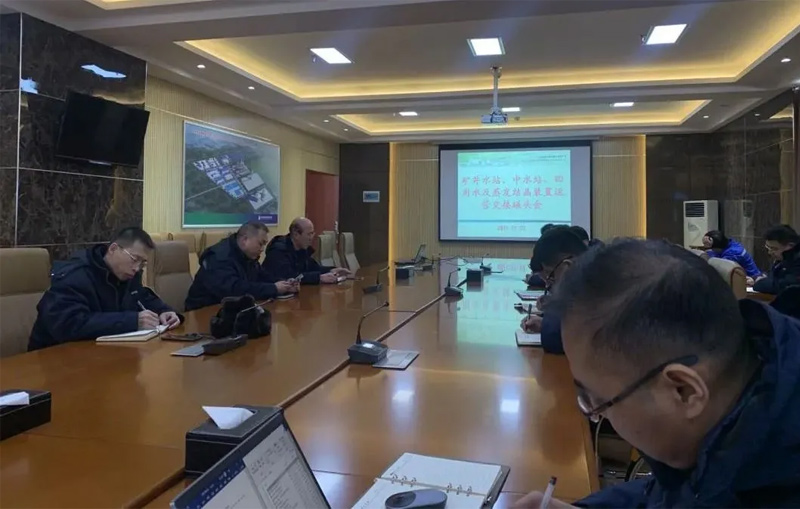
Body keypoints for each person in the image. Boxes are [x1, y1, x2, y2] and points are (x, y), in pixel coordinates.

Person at [514, 239, 800, 508]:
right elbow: (674, 492)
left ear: (684, 391)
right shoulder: (748, 394)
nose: (594, 415)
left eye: (598, 403)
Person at [28, 227, 182, 351]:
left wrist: (164, 311)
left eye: (143, 263)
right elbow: (69, 324)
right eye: (134, 259)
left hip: (98, 355)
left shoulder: (127, 274)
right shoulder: (76, 275)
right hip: (54, 359)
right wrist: (132, 321)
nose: (137, 268)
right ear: (113, 249)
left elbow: (141, 297)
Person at [185, 221, 297, 311]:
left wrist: (285, 283)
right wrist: (273, 288)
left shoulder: (247, 256)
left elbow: (262, 276)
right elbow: (234, 290)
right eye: (260, 243)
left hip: (230, 310)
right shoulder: (219, 257)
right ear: (244, 240)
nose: (262, 249)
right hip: (203, 312)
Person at [520, 227, 587, 354]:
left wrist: (547, 324)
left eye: (550, 277)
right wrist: (543, 322)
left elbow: (553, 337)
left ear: (567, 267)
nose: (548, 286)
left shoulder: (598, 287)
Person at [262, 217, 351, 284]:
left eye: (312, 233)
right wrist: (319, 278)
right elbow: (289, 277)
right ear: (296, 234)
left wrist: (332, 270)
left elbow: (314, 268)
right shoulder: (278, 251)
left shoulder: (302, 250)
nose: (312, 238)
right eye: (309, 234)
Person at [753, 224, 800, 295]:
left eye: (774, 249)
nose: (770, 252)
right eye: (768, 248)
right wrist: (756, 279)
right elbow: (773, 278)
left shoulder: (797, 259)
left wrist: (760, 283)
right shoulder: (783, 258)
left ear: (790, 246)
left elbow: (785, 286)